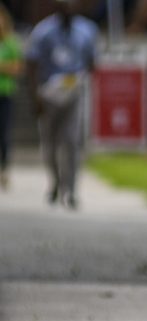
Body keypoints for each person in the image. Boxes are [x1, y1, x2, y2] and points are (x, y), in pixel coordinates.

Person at [26, 0, 98, 208]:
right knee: (49, 144)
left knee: (72, 142)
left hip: (74, 94)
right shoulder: (43, 32)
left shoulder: (87, 30)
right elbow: (31, 64)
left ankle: (72, 190)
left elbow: (92, 62)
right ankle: (55, 182)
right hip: (49, 93)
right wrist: (35, 97)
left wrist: (80, 79)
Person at [0, 4, 21, 191]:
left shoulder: (11, 43)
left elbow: (16, 68)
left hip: (4, 92)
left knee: (3, 132)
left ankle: (4, 167)